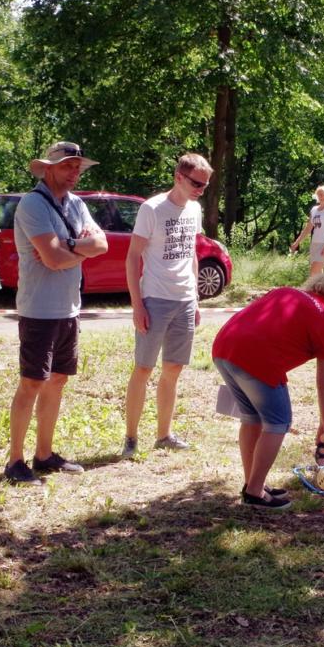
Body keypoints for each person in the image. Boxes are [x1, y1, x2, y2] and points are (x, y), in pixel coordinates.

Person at [5, 141, 108, 485]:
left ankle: (44, 455)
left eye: (77, 167)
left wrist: (69, 246)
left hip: (69, 308)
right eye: (67, 166)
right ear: (48, 169)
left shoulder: (77, 204)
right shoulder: (32, 204)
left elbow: (102, 244)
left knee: (58, 380)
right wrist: (79, 250)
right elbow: (51, 259)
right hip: (39, 308)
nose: (74, 172)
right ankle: (15, 461)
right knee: (32, 382)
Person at [212, 274, 324, 509]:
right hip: (256, 357)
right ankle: (254, 493)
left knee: (252, 418)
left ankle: (252, 484)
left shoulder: (287, 292)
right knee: (278, 422)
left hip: (223, 346)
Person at [121, 153, 213, 458]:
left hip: (184, 299)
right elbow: (133, 257)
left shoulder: (195, 209)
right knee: (144, 368)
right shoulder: (152, 209)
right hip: (155, 299)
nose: (200, 190)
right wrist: (137, 305)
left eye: (205, 185)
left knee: (173, 369)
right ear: (178, 177)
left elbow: (192, 253)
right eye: (196, 183)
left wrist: (195, 298)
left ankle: (164, 435)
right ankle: (131, 438)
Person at [290, 185, 324, 277]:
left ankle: (314, 286)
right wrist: (297, 242)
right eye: (320, 194)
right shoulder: (314, 210)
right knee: (318, 273)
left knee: (313, 271)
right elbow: (308, 228)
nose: (322, 197)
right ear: (317, 196)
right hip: (314, 244)